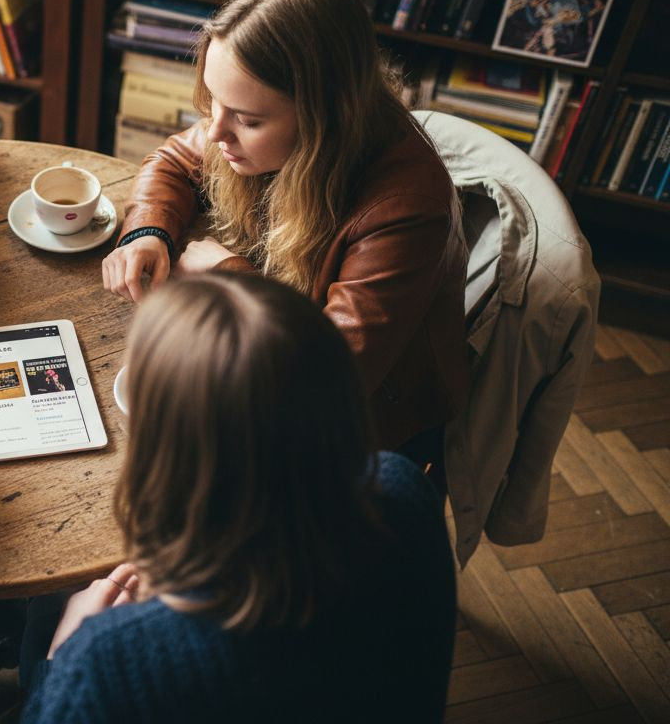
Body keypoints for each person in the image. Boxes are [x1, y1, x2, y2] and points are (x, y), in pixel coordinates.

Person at [23, 273, 458, 722]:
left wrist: (59, 662)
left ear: (162, 457)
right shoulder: (404, 491)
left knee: (43, 619)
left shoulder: (105, 663)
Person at [101, 0, 468, 474]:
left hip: (358, 438)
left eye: (248, 120)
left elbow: (329, 376)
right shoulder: (242, 126)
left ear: (324, 118)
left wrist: (228, 277)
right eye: (213, 103)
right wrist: (149, 230)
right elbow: (171, 162)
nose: (216, 133)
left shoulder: (406, 208)